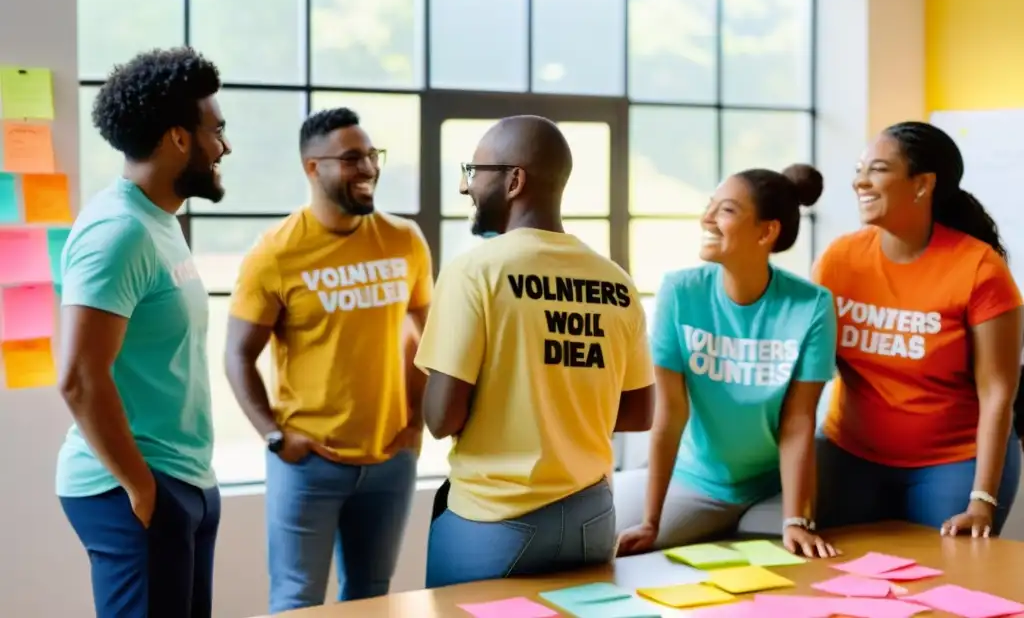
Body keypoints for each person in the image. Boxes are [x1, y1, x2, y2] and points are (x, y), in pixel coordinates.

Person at [414, 115, 656, 588]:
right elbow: (638, 411)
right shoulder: (615, 280)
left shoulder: (475, 271)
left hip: (493, 520)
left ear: (514, 181)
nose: (466, 187)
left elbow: (442, 419)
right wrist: (558, 409)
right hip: (590, 517)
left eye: (475, 171)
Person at [225, 106, 433, 612]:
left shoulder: (404, 241)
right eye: (351, 158)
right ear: (311, 167)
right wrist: (275, 436)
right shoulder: (275, 255)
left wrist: (416, 426)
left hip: (390, 462)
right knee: (298, 600)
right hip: (309, 464)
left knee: (371, 597)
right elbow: (237, 355)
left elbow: (429, 340)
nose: (368, 168)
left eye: (371, 155)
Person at [56, 47, 230, 618]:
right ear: (179, 138)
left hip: (181, 478)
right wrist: (141, 489)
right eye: (216, 131)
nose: (224, 147)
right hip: (133, 484)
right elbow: (80, 377)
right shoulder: (119, 230)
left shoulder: (159, 220)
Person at [616, 165, 839, 559]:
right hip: (693, 482)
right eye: (710, 206)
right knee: (608, 541)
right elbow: (670, 413)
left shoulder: (812, 305)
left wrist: (794, 519)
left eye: (727, 210)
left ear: (766, 231)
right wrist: (652, 519)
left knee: (788, 562)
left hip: (772, 488)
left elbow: (798, 421)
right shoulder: (680, 291)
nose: (707, 218)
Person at [814, 121, 1023, 537]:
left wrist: (981, 500)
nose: (860, 181)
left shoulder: (979, 269)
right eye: (860, 169)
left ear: (922, 184)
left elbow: (998, 390)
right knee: (844, 583)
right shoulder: (840, 260)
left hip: (955, 463)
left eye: (877, 169)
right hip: (851, 454)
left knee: (950, 584)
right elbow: (809, 368)